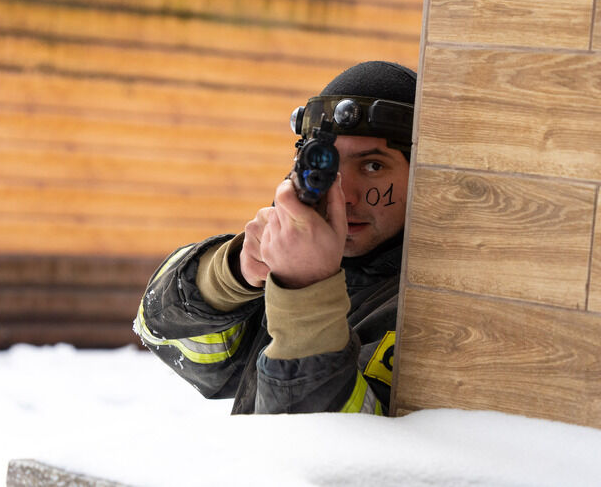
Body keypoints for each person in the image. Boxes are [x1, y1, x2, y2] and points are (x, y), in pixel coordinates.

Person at [134, 61, 416, 414]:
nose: (343, 195)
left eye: (373, 166)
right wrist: (232, 273)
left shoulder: (436, 306)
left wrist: (306, 293)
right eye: (324, 165)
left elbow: (322, 441)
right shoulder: (284, 265)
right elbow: (163, 334)